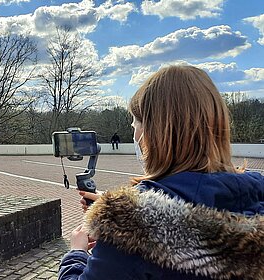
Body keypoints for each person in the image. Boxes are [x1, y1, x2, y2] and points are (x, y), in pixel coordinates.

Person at [58, 66, 264, 279]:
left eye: (135, 123)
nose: (134, 132)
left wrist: (77, 253)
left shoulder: (132, 222)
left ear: (153, 132)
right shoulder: (256, 193)